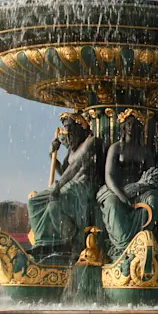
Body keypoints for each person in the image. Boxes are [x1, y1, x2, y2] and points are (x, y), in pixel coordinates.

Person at [27, 111, 103, 258]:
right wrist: (52, 155)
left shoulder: (92, 142)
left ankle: (68, 241)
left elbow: (75, 166)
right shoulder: (72, 151)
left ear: (81, 127)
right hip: (69, 186)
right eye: (66, 129)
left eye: (70, 129)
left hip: (84, 187)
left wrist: (57, 187)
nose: (67, 134)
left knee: (54, 206)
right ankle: (42, 243)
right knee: (33, 202)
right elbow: (64, 172)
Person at [97, 109, 158, 258]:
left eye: (135, 124)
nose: (131, 127)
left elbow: (153, 174)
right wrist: (121, 195)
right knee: (112, 204)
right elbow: (109, 176)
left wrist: (140, 186)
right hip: (116, 189)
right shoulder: (116, 148)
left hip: (141, 190)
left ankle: (146, 241)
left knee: (155, 198)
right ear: (123, 126)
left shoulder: (145, 151)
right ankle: (122, 245)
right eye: (128, 124)